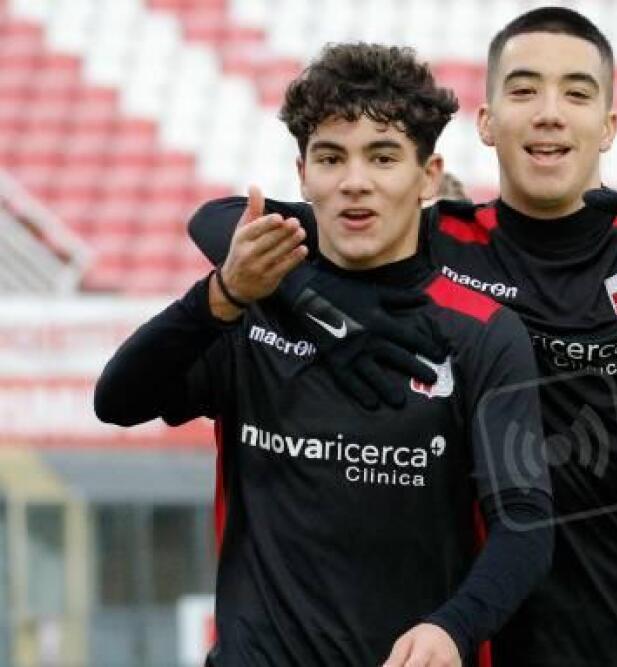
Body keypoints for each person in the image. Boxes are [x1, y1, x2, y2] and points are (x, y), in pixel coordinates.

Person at [188, 7, 617, 665]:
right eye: (524, 89)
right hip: (520, 637)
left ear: (608, 126)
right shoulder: (438, 243)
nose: (549, 111)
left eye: (576, 92)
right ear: (488, 122)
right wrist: (298, 290)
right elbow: (221, 219)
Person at [94, 43, 552, 667]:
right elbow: (118, 401)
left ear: (427, 175)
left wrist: (454, 628)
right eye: (331, 157)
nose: (354, 181)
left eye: (383, 157)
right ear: (304, 173)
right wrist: (221, 295)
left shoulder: (482, 332)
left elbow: (524, 522)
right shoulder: (253, 299)